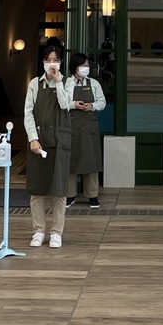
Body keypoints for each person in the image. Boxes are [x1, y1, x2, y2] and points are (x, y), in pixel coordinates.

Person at [24, 46, 73, 247]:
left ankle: (56, 232)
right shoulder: (35, 83)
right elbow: (28, 113)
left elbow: (65, 104)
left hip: (60, 141)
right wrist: (33, 138)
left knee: (59, 190)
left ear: (60, 62)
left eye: (55, 60)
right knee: (37, 188)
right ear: (43, 62)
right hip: (40, 140)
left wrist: (58, 82)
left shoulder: (68, 82)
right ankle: (38, 231)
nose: (52, 64)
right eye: (48, 60)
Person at [65, 52, 106, 209]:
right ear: (75, 67)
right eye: (83, 65)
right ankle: (70, 195)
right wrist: (73, 104)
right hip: (73, 126)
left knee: (91, 160)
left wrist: (92, 106)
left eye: (87, 65)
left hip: (90, 127)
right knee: (71, 160)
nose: (86, 68)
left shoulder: (94, 83)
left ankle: (92, 196)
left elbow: (102, 102)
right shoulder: (67, 83)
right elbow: (62, 102)